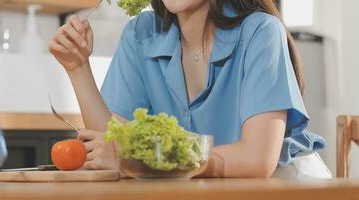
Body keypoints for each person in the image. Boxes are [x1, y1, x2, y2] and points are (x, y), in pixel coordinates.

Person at [49, 0, 330, 178]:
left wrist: (136, 158)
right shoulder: (141, 33)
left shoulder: (261, 32)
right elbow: (111, 141)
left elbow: (257, 160)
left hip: (283, 187)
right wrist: (78, 68)